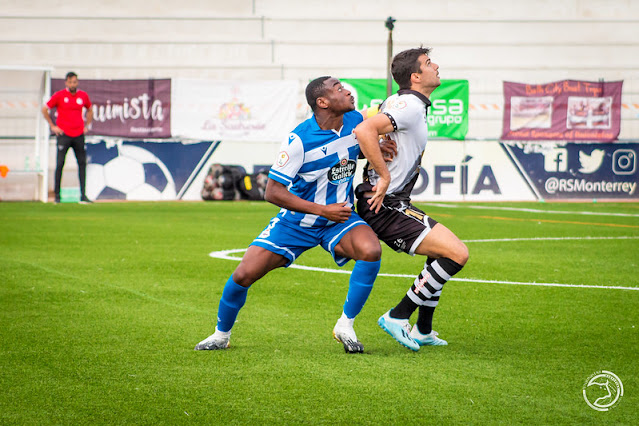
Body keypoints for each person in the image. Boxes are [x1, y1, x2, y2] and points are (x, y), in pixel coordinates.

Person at [195, 76, 383, 353]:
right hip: (297, 222)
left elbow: (352, 152)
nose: (347, 91)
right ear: (323, 102)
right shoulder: (298, 140)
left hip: (338, 219)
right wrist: (321, 210)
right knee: (244, 274)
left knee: (371, 250)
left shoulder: (357, 122)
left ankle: (346, 325)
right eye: (338, 89)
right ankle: (221, 335)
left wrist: (379, 150)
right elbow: (272, 192)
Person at [354, 47, 469, 351]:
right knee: (457, 253)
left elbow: (371, 126)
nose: (437, 66)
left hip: (390, 202)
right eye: (429, 63)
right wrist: (384, 175)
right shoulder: (409, 106)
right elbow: (364, 128)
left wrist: (379, 144)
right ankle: (397, 316)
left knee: (440, 252)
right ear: (416, 76)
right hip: (385, 204)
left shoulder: (400, 102)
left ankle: (423, 330)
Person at [42, 71, 93, 203]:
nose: (72, 84)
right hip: (64, 135)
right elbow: (44, 109)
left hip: (78, 135)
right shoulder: (59, 95)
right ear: (66, 82)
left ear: (77, 82)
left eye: (74, 82)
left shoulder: (83, 96)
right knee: (60, 164)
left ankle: (83, 196)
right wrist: (53, 126)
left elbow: (90, 109)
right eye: (70, 82)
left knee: (82, 163)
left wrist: (87, 125)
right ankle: (57, 196)